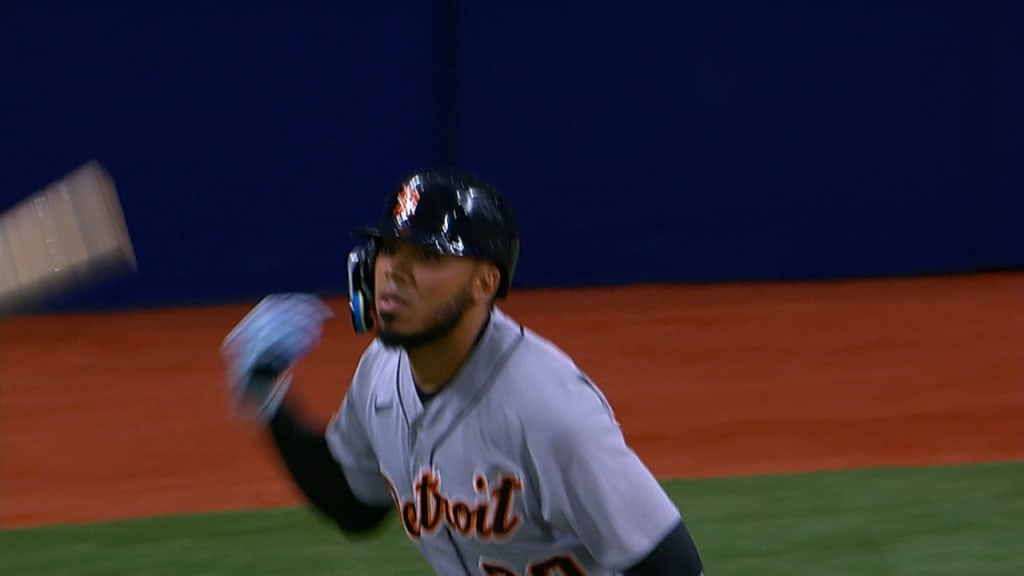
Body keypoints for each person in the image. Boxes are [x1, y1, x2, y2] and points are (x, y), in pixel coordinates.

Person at [221, 170, 704, 575]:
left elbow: (673, 566)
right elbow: (354, 503)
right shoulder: (381, 373)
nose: (394, 271)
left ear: (484, 284)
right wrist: (268, 397)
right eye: (389, 250)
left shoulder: (548, 412)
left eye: (428, 256)